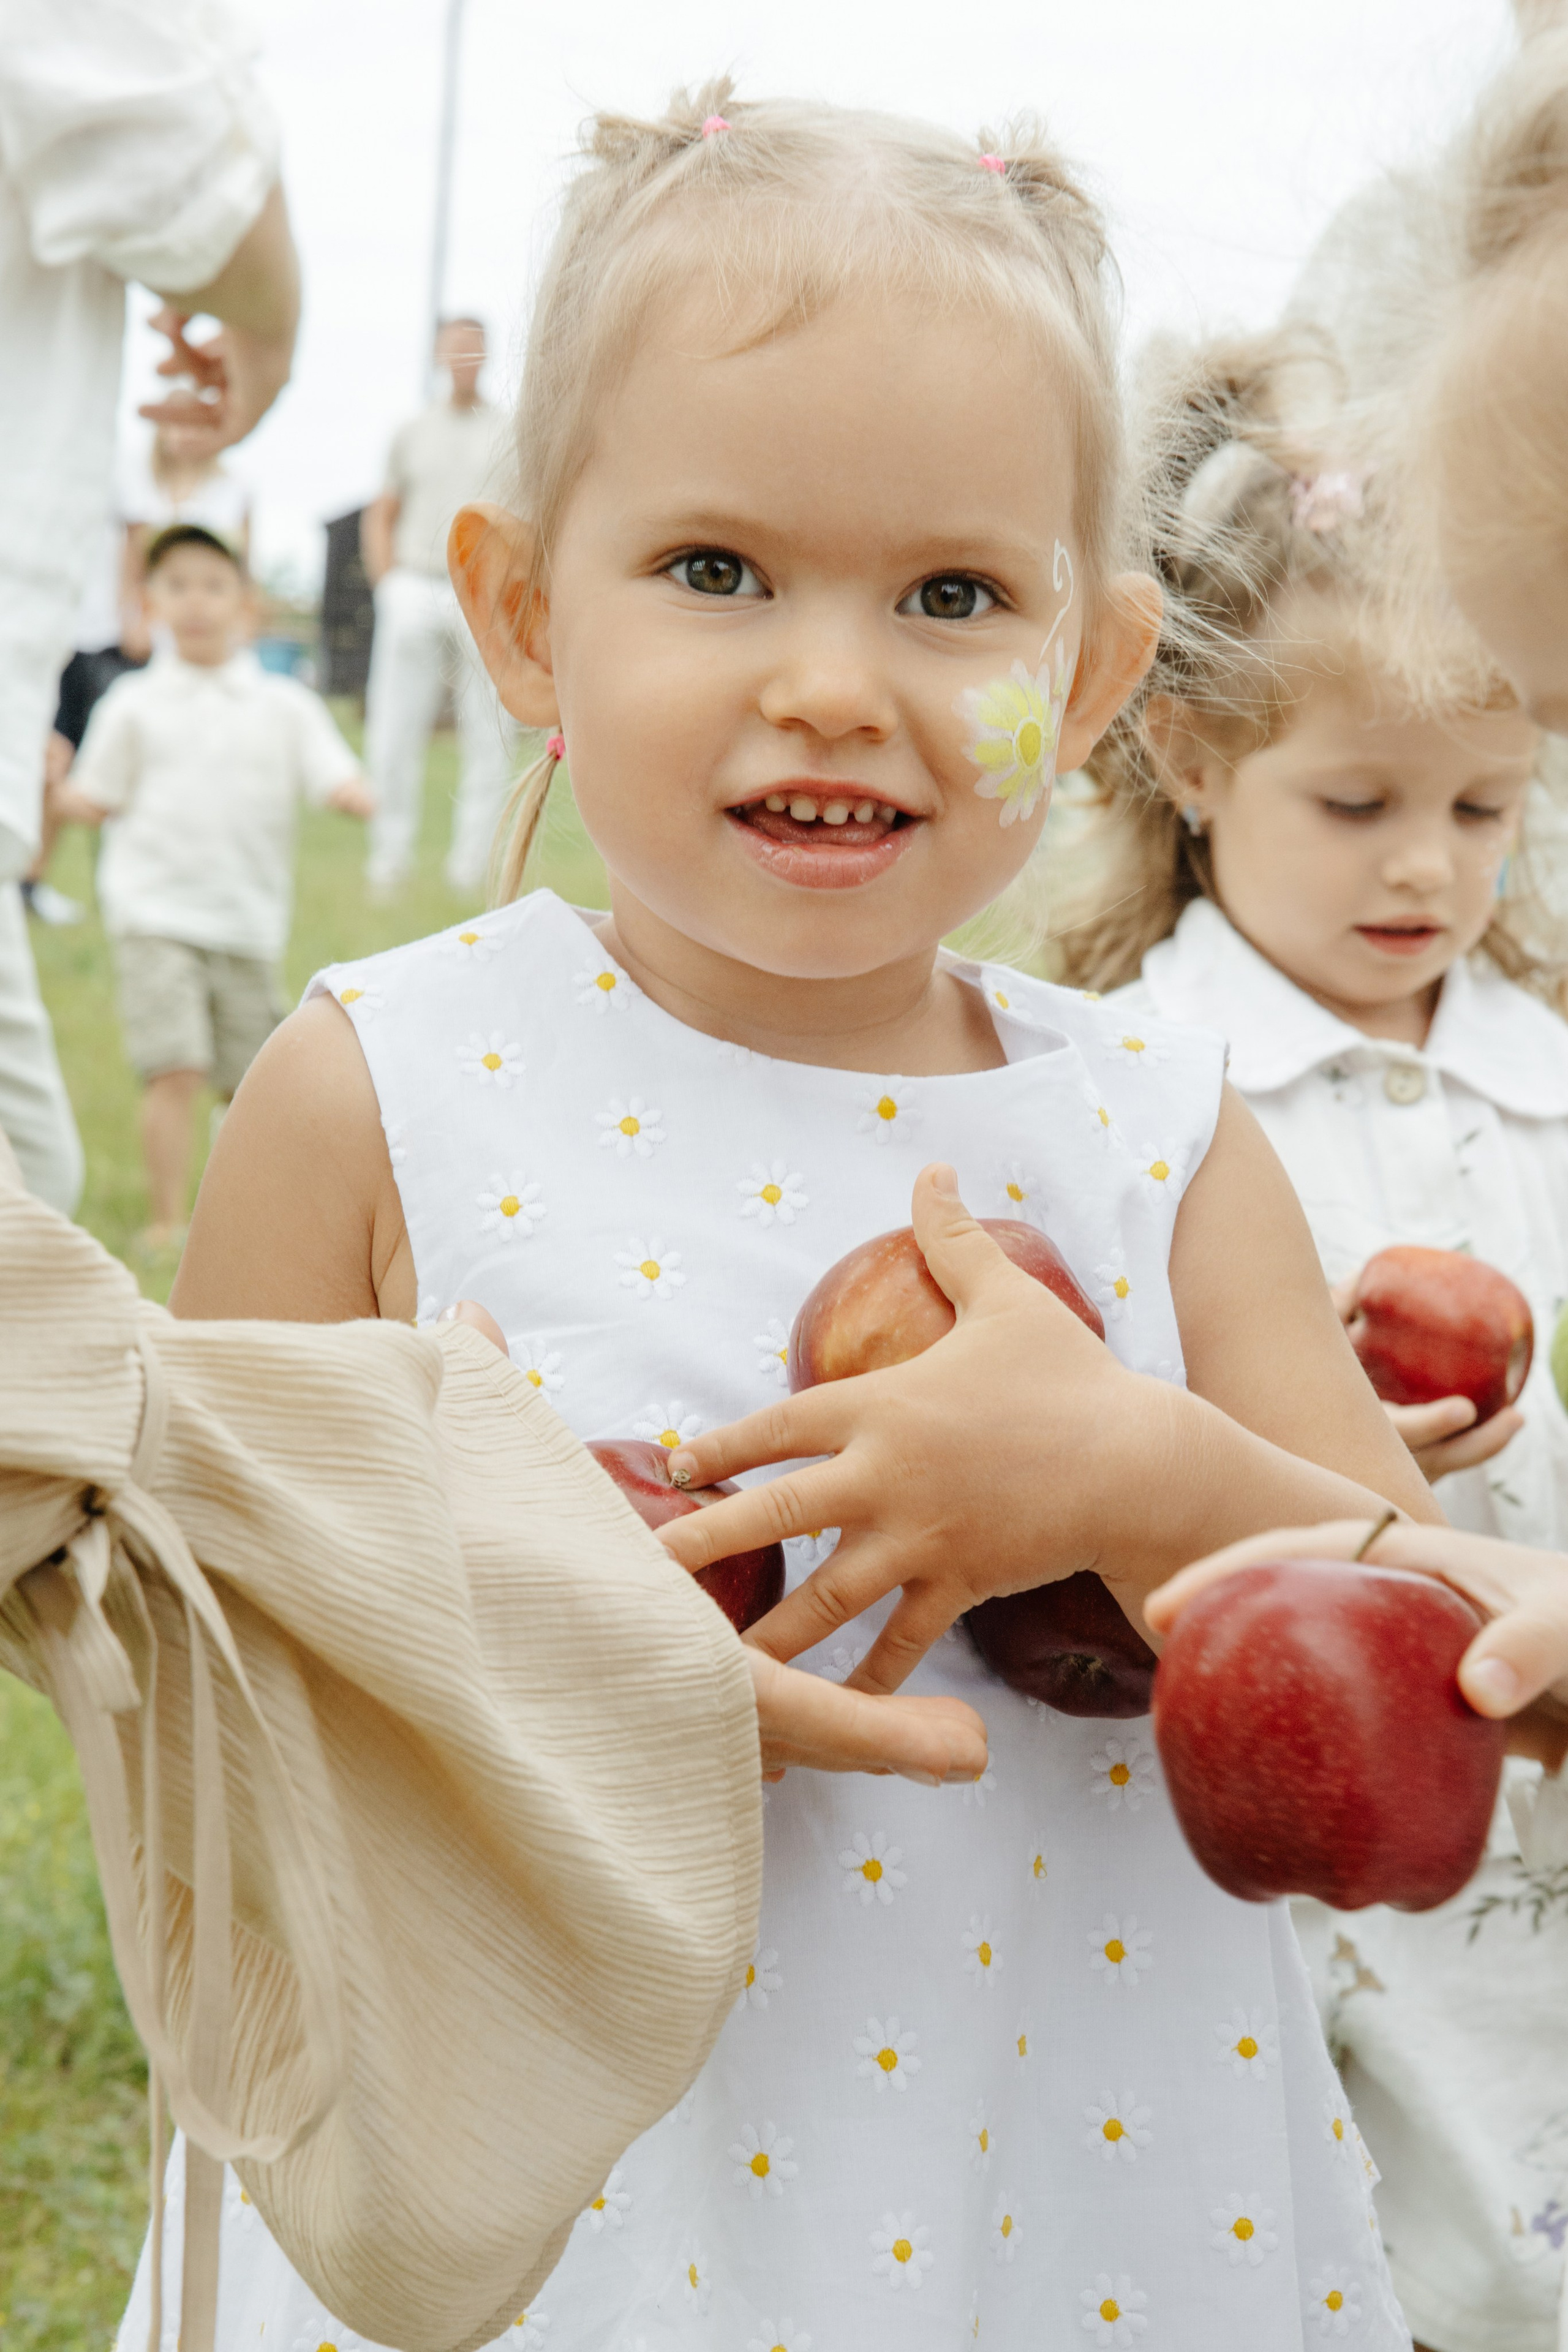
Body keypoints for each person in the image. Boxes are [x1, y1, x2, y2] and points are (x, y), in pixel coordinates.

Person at [148, 84, 1439, 2350]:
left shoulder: (1152, 1131)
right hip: (567, 2206)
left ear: (1097, 676)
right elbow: (190, 1677)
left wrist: (1132, 1477)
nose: (833, 678)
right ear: (524, 618)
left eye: (952, 595)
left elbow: (1422, 1653)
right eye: (716, 571)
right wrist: (532, 1661)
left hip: (1081, 2192)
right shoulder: (380, 1092)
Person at [1022, 328, 1568, 2352]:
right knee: (1317, 2191)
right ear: (1187, 761)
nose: (1428, 864)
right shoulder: (1141, 1084)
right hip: (1277, 1782)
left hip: (1529, 1751)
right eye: (1356, 803)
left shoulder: (1552, 1081)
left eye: (1486, 807)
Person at [0, 0, 300, 1212]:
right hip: (157, 907)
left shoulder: (260, 702)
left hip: (242, 910)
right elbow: (201, 173)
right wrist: (271, 323)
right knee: (33, 1235)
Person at [53, 524, 372, 1260]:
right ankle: (168, 1221)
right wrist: (51, 789)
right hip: (154, 912)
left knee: (251, 1084)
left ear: (245, 604)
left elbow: (332, 771)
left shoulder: (282, 704)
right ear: (151, 602)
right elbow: (94, 797)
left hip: (246, 921)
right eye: (176, 586)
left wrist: (354, 792)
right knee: (175, 1067)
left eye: (212, 585)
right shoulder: (134, 702)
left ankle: (243, 1216)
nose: (195, 602)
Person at [360, 316, 519, 897]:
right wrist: (388, 583)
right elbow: (382, 510)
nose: (464, 357)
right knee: (396, 724)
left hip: (484, 590)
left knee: (490, 730)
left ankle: (470, 869)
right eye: (454, 346)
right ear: (436, 355)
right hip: (417, 582)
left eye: (474, 346)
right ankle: (388, 864)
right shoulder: (412, 431)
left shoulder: (511, 432)